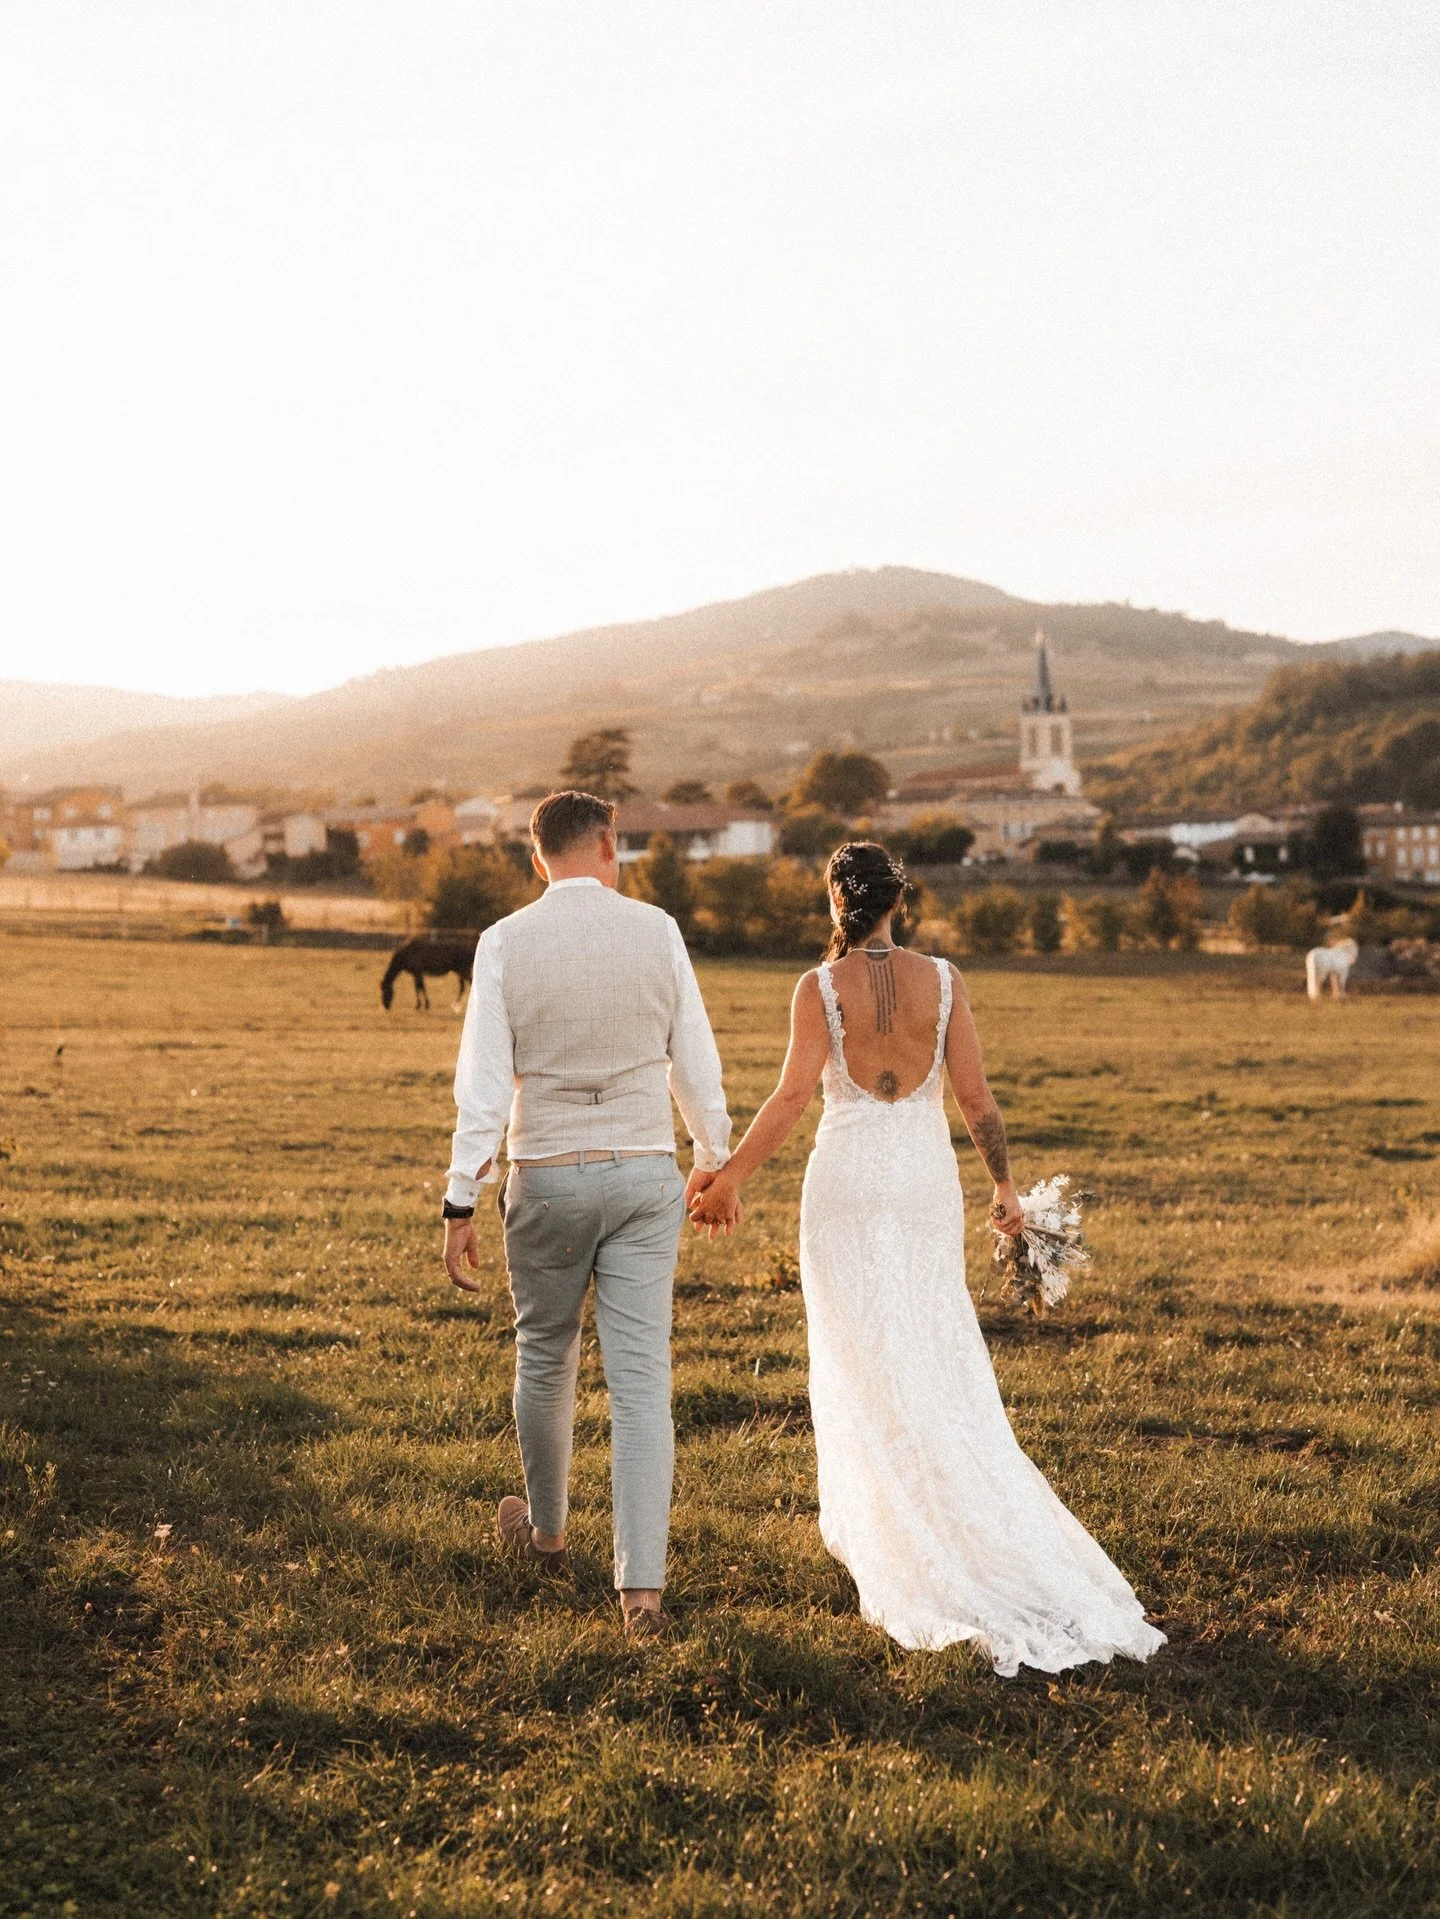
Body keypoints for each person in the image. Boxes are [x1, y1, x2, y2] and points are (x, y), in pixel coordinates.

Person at [688, 842, 1165, 1675]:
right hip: (920, 1183)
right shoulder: (944, 982)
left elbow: (793, 1096)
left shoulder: (816, 988)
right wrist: (1007, 1186)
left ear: (835, 903)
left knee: (859, 1356)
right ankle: (950, 1516)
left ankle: (895, 1527)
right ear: (896, 902)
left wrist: (730, 1177)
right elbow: (976, 1096)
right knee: (934, 1347)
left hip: (843, 1185)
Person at [442, 790, 735, 1640]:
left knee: (546, 1354)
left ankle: (547, 1538)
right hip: (646, 1173)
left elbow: (484, 1084)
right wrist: (712, 1158)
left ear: (538, 859)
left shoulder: (504, 942)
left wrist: (461, 1194)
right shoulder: (658, 930)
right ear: (611, 845)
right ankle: (641, 1593)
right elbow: (696, 1059)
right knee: (643, 1380)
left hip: (548, 1172)